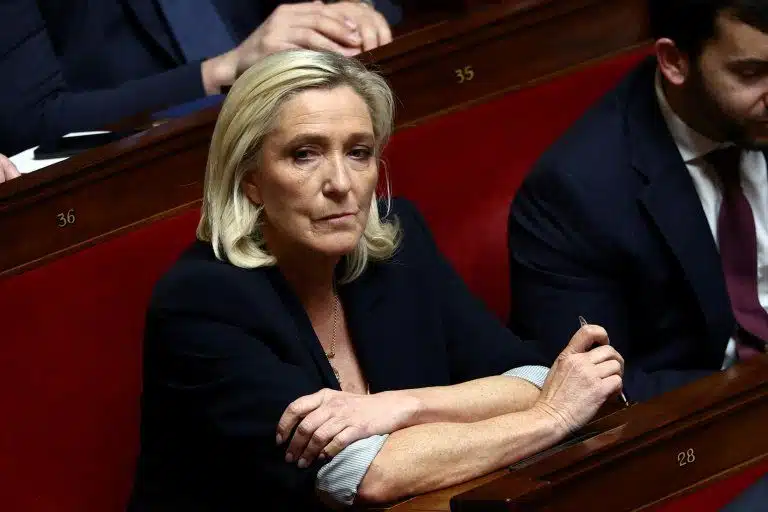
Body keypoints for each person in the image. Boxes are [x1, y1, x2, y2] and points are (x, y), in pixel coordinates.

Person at [129, 49, 625, 511]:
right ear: (250, 180)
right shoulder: (203, 301)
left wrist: (403, 406)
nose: (341, 184)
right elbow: (363, 473)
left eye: (359, 152)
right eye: (304, 154)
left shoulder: (397, 243)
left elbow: (530, 376)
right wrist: (551, 418)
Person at [507, 0, 768, 402]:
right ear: (674, 61)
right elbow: (589, 390)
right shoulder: (574, 192)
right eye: (750, 73)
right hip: (704, 413)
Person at [0, 0, 401, 156]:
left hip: (306, 124)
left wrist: (354, 9)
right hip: (147, 176)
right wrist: (222, 71)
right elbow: (31, 121)